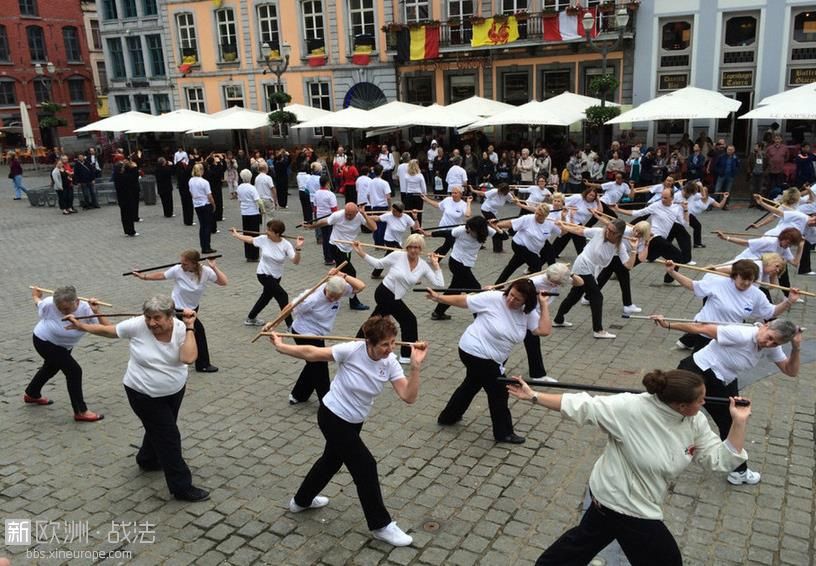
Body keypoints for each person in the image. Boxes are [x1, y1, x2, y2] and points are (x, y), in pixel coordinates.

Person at [507, 369, 751, 564]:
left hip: (618, 499)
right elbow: (581, 405)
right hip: (625, 504)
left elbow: (719, 460)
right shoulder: (630, 408)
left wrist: (738, 422)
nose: (704, 402)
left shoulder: (694, 419)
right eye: (700, 400)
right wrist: (534, 396)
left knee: (583, 542)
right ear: (680, 405)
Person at [270, 316, 428, 547]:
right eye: (384, 344)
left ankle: (300, 501)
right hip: (332, 415)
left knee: (331, 461)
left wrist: (415, 367)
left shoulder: (390, 362)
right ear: (369, 342)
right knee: (365, 465)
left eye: (393, 342)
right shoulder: (351, 350)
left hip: (355, 421)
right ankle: (381, 525)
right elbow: (313, 354)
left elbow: (408, 397)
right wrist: (281, 346)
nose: (390, 348)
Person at [66, 296, 210, 502]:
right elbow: (110, 331)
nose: (152, 323)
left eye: (157, 318)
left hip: (174, 390)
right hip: (143, 393)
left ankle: (147, 458)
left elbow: (188, 358)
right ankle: (181, 487)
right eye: (148, 317)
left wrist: (190, 327)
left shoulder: (181, 328)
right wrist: (82, 325)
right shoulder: (137, 325)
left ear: (170, 316)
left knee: (160, 428)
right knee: (169, 437)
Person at [654, 317, 801, 485]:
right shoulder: (741, 333)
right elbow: (700, 328)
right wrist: (668, 324)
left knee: (732, 421)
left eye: (775, 343)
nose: (769, 344)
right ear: (765, 326)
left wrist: (796, 347)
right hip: (697, 372)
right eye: (769, 338)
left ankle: (738, 471)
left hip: (724, 379)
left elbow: (790, 371)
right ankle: (653, 448)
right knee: (672, 412)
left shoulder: (771, 346)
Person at [428, 279, 551, 444]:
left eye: (517, 299)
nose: (511, 300)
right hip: (474, 351)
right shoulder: (493, 297)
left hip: (494, 357)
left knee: (472, 383)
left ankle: (448, 417)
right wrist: (439, 298)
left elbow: (543, 330)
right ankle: (503, 433)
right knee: (499, 391)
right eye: (511, 295)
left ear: (526, 302)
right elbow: (464, 301)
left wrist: (544, 305)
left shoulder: (527, 313)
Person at [665, 259, 798, 351]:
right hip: (706, 335)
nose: (746, 283)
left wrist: (789, 301)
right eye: (743, 279)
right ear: (734, 276)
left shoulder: (756, 294)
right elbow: (692, 285)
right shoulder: (718, 281)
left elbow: (771, 312)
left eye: (750, 280)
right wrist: (672, 272)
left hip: (730, 337)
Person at [353, 234, 443, 363]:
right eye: (410, 247)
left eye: (417, 247)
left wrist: (436, 265)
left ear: (421, 249)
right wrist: (361, 252)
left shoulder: (423, 265)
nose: (413, 250)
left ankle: (357, 343)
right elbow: (378, 264)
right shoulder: (397, 256)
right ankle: (406, 355)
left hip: (395, 296)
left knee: (375, 321)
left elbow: (439, 283)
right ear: (406, 247)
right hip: (384, 292)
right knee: (409, 320)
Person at [131, 251, 227, 373]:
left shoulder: (206, 271)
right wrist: (143, 276)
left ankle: (172, 356)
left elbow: (223, 282)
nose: (182, 265)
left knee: (178, 332)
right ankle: (202, 364)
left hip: (193, 308)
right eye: (181, 263)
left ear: (194, 264)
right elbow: (161, 275)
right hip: (178, 308)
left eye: (185, 264)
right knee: (198, 332)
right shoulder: (177, 270)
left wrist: (214, 267)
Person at [24, 286, 106, 421]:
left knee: (51, 368)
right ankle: (80, 411)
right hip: (44, 341)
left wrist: (96, 311)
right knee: (74, 371)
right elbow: (39, 302)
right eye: (60, 309)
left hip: (64, 346)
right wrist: (36, 295)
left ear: (77, 301)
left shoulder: (86, 308)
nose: (63, 312)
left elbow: (103, 329)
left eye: (67, 309)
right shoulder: (49, 303)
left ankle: (31, 393)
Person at [288, 269, 366, 404]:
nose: (333, 300)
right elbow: (290, 307)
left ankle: (298, 394)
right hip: (304, 333)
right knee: (320, 367)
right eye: (331, 296)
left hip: (318, 334)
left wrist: (343, 275)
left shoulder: (339, 288)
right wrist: (272, 325)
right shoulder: (311, 298)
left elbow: (361, 286)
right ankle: (327, 402)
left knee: (313, 363)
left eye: (337, 297)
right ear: (326, 288)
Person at [551, 219, 634, 339]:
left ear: (618, 234)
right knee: (597, 296)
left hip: (590, 269)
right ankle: (598, 330)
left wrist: (634, 249)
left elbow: (628, 266)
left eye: (612, 231)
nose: (608, 232)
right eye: (608, 228)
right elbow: (580, 231)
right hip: (582, 265)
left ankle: (558, 320)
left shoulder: (619, 246)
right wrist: (564, 226)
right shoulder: (599, 232)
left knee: (575, 294)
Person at [229, 220, 305, 327]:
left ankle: (251, 318)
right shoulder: (263, 239)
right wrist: (236, 234)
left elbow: (295, 261)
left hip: (276, 276)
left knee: (266, 297)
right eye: (267, 229)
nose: (266, 232)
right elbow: (250, 239)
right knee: (282, 296)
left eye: (269, 230)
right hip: (263, 274)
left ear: (277, 233)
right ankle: (290, 326)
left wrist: (298, 249)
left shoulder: (285, 245)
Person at [614, 188, 691, 284]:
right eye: (662, 197)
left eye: (665, 198)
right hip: (654, 236)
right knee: (677, 255)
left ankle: (620, 270)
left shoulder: (677, 208)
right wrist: (618, 210)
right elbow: (637, 213)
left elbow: (686, 225)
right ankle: (669, 280)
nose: (662, 199)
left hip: (659, 239)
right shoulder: (656, 205)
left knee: (642, 257)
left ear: (672, 198)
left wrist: (685, 210)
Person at [430, 216, 499, 321]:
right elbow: (447, 233)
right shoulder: (462, 230)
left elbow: (503, 237)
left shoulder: (486, 231)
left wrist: (495, 227)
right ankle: (479, 318)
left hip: (467, 264)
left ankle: (438, 312)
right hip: (456, 263)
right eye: (468, 228)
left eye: (472, 229)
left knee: (455, 289)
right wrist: (429, 234)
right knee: (476, 290)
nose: (469, 230)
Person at [310, 203, 377, 310]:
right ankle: (354, 302)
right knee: (351, 273)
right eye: (347, 214)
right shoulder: (337, 215)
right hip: (335, 246)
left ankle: (327, 293)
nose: (348, 216)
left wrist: (364, 215)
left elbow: (374, 228)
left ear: (356, 213)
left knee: (338, 273)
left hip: (347, 248)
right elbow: (323, 222)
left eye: (351, 215)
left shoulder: (360, 216)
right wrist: (311, 226)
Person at [493, 203, 562, 284]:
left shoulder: (550, 223)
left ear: (545, 216)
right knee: (537, 266)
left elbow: (561, 233)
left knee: (512, 265)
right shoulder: (528, 218)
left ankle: (498, 284)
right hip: (519, 245)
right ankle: (529, 286)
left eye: (540, 215)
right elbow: (510, 223)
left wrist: (563, 222)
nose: (537, 216)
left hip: (532, 249)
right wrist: (496, 224)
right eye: (536, 213)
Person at [420, 186, 472, 256]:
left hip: (454, 229)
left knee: (448, 244)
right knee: (450, 244)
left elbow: (467, 214)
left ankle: (435, 255)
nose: (453, 195)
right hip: (444, 226)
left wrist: (468, 203)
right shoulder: (447, 199)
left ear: (461, 194)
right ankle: (437, 256)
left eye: (455, 193)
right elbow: (438, 205)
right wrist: (426, 199)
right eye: (452, 193)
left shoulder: (463, 204)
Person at [371, 202, 416, 279]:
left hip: (398, 241)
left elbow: (415, 228)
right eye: (392, 210)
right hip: (389, 240)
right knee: (404, 256)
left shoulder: (406, 217)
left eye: (395, 211)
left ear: (400, 212)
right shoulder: (389, 215)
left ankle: (375, 273)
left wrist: (415, 218)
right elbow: (377, 218)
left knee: (388, 257)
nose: (392, 212)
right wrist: (364, 216)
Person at [472, 183, 514, 252]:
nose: (499, 191)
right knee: (497, 227)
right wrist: (472, 190)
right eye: (499, 190)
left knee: (483, 226)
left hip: (493, 212)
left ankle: (477, 243)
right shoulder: (494, 191)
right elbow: (482, 193)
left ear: (505, 191)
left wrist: (520, 201)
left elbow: (514, 201)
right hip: (486, 209)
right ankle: (498, 249)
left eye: (501, 191)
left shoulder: (507, 195)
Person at [235, 169, 264, 261]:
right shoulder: (252, 188)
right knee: (254, 234)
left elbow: (239, 200)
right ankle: (254, 255)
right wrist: (263, 210)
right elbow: (258, 200)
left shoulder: (239, 187)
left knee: (246, 233)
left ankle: (248, 255)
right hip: (253, 212)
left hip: (244, 212)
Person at [189, 163, 217, 254]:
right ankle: (207, 246)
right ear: (201, 171)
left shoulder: (191, 180)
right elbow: (209, 195)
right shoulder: (204, 182)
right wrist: (213, 204)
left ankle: (203, 246)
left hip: (197, 205)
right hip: (205, 204)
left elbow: (191, 193)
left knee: (202, 226)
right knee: (207, 226)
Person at [403, 159, 427, 225]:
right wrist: (424, 195)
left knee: (411, 214)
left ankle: (412, 229)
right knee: (418, 213)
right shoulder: (420, 176)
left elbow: (406, 187)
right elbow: (423, 187)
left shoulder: (406, 176)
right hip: (418, 195)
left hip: (409, 195)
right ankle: (418, 228)